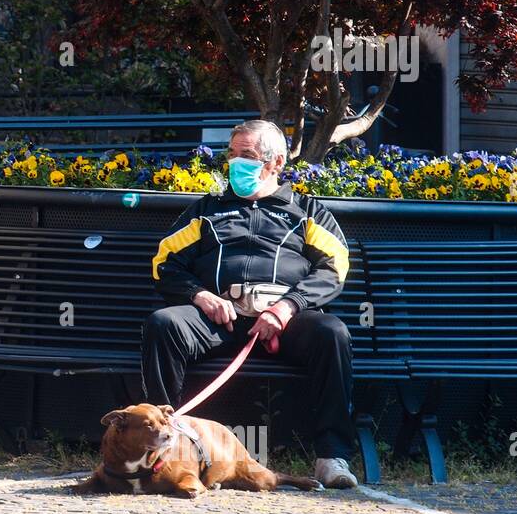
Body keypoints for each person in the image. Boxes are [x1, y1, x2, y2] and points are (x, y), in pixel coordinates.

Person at [142, 119, 359, 488]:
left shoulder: (306, 211)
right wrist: (200, 295)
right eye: (232, 154)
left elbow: (334, 267)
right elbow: (165, 263)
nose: (235, 163)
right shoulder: (207, 210)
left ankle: (331, 457)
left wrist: (289, 306)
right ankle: (166, 447)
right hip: (219, 316)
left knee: (333, 333)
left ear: (275, 163)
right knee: (164, 325)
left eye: (247, 156)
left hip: (284, 320)